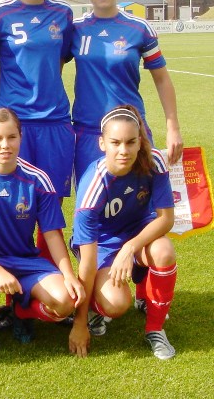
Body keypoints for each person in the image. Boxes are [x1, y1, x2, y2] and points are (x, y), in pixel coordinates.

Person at [0, 108, 84, 351]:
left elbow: (52, 235)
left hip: (25, 260)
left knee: (65, 303)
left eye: (12, 137)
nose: (5, 145)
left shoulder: (38, 179)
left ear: (21, 138)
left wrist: (68, 275)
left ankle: (22, 312)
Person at [0, 0, 74, 266]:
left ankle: (51, 288)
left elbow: (58, 63)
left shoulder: (63, 14)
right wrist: (11, 107)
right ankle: (15, 296)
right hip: (16, 128)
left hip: (55, 125)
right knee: (13, 206)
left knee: (50, 205)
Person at [69, 105, 177, 360]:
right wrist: (79, 322)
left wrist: (129, 248)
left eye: (130, 142)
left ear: (140, 141)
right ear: (102, 143)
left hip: (138, 232)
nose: (123, 150)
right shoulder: (94, 186)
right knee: (116, 304)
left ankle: (155, 329)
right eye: (115, 142)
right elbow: (88, 260)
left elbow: (166, 220)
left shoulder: (155, 162)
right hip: (102, 244)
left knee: (163, 251)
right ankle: (95, 308)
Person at [70, 0, 183, 182]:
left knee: (139, 204)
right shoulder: (75, 29)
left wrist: (173, 128)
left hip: (132, 131)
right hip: (89, 132)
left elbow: (162, 79)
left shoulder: (139, 29)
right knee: (92, 205)